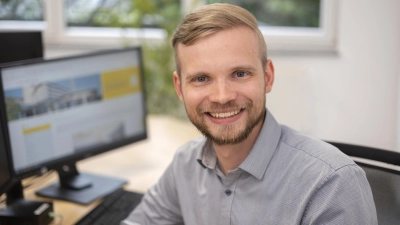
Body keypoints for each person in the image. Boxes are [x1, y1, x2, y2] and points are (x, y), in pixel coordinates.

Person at [122, 3, 377, 225]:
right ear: (180, 88)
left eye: (240, 74)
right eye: (201, 78)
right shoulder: (185, 164)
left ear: (267, 77)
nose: (222, 96)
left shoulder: (332, 185)